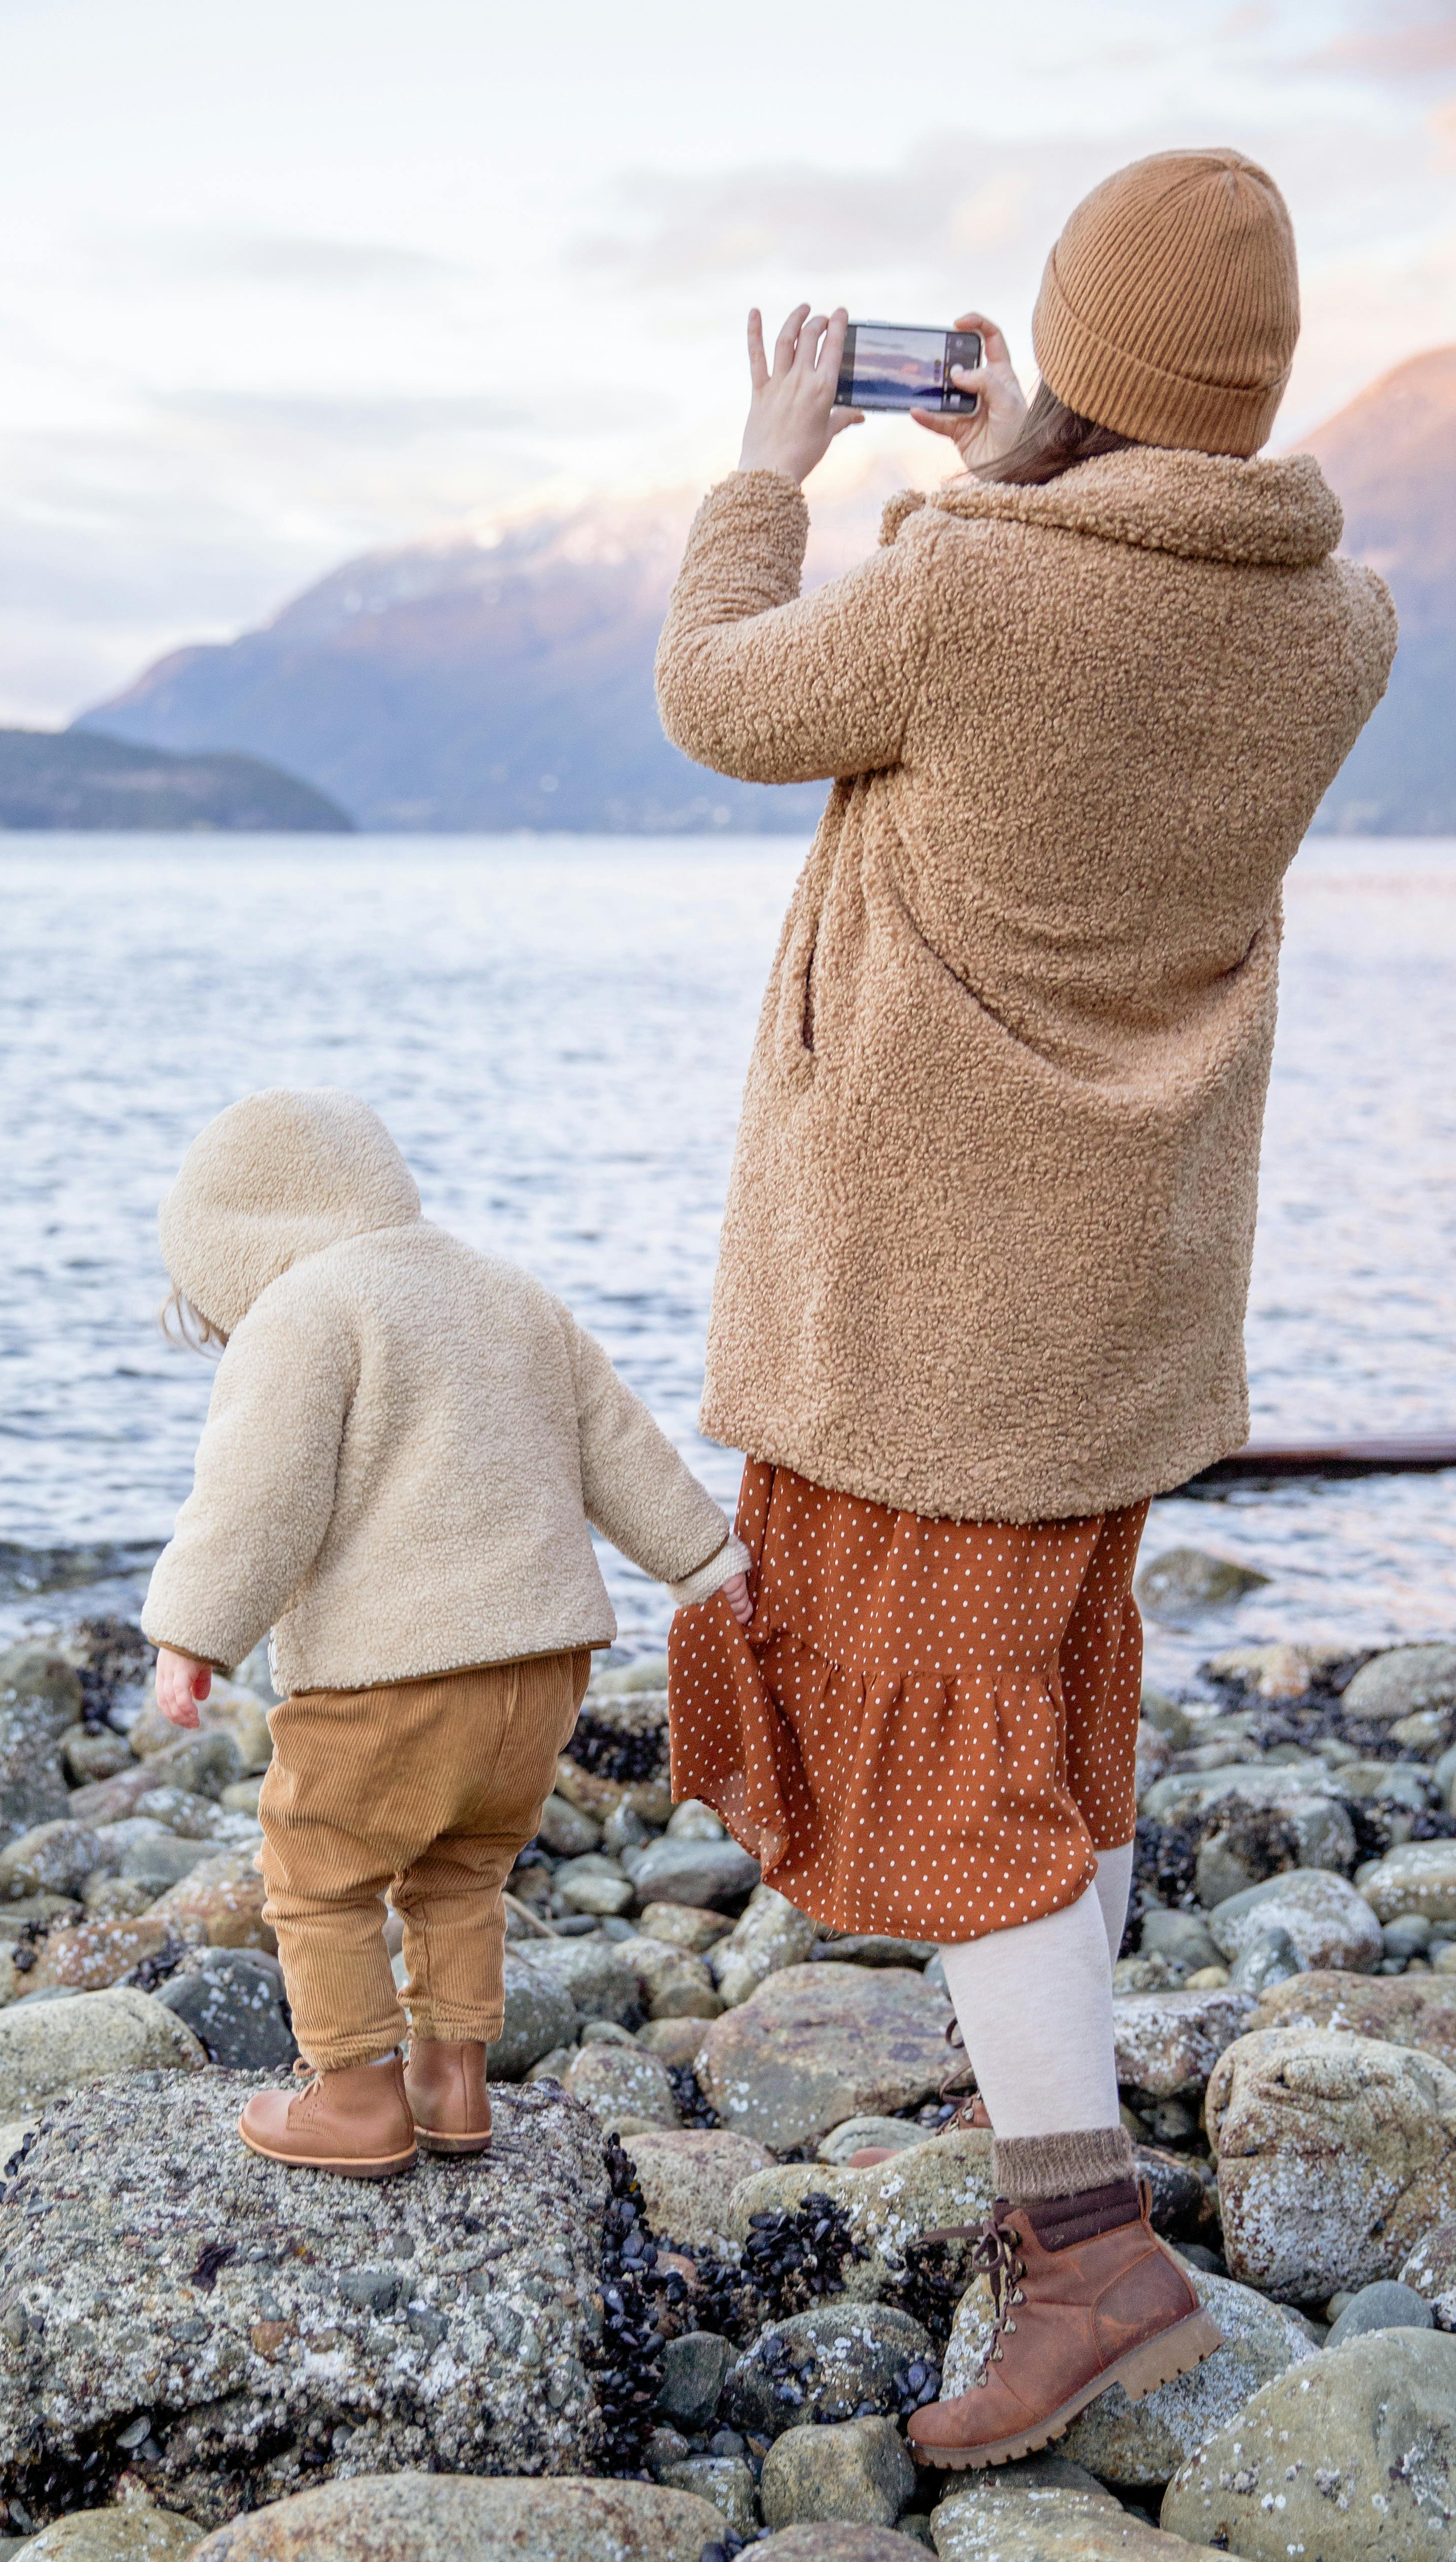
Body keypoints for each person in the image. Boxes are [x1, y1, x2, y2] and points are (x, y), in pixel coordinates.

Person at [655, 148, 1396, 2466]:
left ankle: (1086, 2264)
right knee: (1045, 1750)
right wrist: (1018, 478)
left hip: (925, 1326)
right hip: (1120, 1305)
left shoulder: (964, 591)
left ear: (1067, 350)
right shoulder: (1341, 622)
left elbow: (718, 696)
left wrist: (768, 476)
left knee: (966, 1785)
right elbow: (1100, 664)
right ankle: (1073, 2228)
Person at [143, 1086, 749, 2178]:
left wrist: (194, 1629)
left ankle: (356, 2096)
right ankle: (450, 2081)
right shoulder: (508, 1289)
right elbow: (619, 1440)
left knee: (319, 1871)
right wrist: (706, 1562)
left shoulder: (307, 1310)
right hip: (544, 1663)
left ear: (239, 1243)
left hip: (394, 1673)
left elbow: (258, 1498)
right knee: (462, 1869)